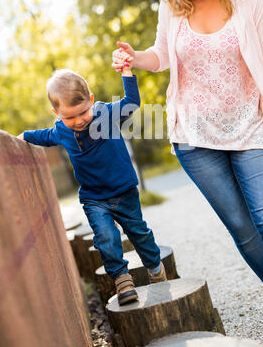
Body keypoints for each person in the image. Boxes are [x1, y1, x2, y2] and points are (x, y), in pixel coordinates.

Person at [112, 0, 263, 335]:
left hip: (252, 127)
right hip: (195, 136)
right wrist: (134, 58)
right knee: (243, 229)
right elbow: (160, 55)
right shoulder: (173, 6)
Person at [17, 58, 166, 306]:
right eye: (69, 117)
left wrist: (127, 73)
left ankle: (155, 268)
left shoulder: (105, 113)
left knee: (139, 232)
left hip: (124, 191)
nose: (79, 120)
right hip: (94, 198)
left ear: (91, 100)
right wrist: (18, 139)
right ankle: (122, 280)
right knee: (106, 238)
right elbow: (37, 136)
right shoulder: (61, 131)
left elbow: (131, 103)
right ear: (56, 114)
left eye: (84, 112)